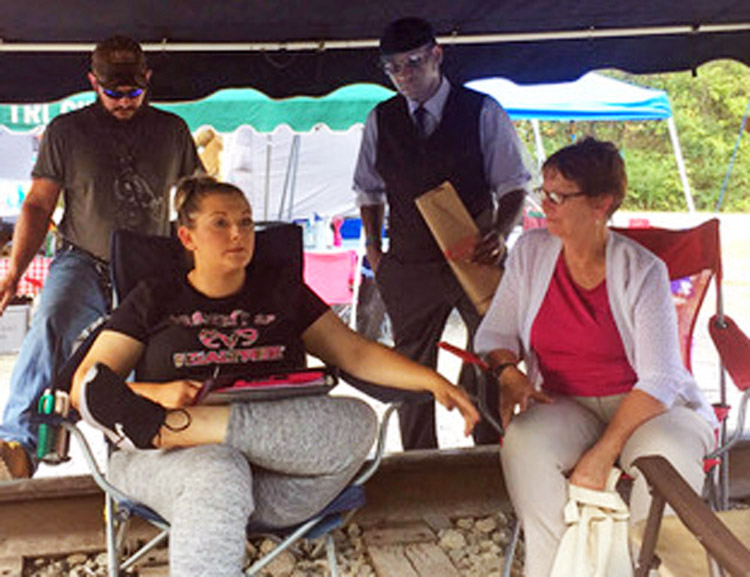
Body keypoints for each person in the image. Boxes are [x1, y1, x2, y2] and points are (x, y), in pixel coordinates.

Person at [68, 176, 479, 577]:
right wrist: (159, 393)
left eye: (246, 221)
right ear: (187, 237)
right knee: (219, 469)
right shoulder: (153, 298)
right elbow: (90, 382)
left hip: (276, 478)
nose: (238, 234)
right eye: (221, 223)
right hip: (172, 466)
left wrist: (433, 380)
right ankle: (171, 429)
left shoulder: (281, 290)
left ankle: (177, 427)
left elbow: (353, 352)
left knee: (357, 421)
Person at [474, 138, 717, 577]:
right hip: (567, 403)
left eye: (559, 196)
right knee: (525, 443)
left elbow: (660, 380)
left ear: (601, 203)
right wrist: (509, 373)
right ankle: (553, 568)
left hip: (650, 409)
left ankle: (650, 567)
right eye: (543, 194)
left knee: (666, 458)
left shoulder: (642, 270)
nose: (545, 206)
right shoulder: (531, 254)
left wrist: (604, 451)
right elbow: (494, 333)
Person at [0, 36, 202, 480]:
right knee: (53, 321)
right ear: (93, 82)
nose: (124, 101)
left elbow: (196, 200)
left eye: (133, 91)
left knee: (144, 355)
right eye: (113, 92)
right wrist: (14, 271)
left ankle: (137, 463)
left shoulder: (172, 131)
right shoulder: (66, 132)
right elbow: (37, 205)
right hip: (83, 257)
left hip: (149, 261)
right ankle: (18, 443)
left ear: (147, 79)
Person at [353, 17, 531, 450]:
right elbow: (368, 190)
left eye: (412, 63)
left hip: (475, 257)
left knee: (492, 355)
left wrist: (501, 233)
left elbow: (514, 185)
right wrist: (375, 249)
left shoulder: (482, 111)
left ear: (437, 55)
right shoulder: (382, 118)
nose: (403, 76)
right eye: (392, 68)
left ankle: (493, 453)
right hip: (409, 264)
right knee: (411, 366)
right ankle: (419, 461)